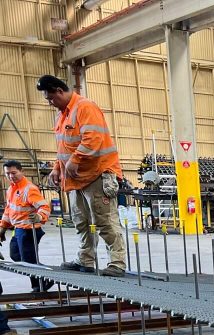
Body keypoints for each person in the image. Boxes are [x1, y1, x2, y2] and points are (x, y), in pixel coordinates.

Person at [36, 74, 127, 276]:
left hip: (97, 174)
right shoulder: (62, 115)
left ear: (59, 91)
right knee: (81, 222)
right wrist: (57, 167)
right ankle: (85, 260)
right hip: (75, 178)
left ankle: (117, 263)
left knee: (104, 221)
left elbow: (93, 139)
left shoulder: (85, 107)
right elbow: (64, 146)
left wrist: (74, 161)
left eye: (51, 98)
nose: (50, 103)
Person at [1, 160, 51, 295]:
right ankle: (46, 276)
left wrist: (39, 216)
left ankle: (40, 285)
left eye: (13, 173)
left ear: (21, 171)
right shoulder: (11, 189)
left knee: (28, 261)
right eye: (7, 173)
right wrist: (3, 228)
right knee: (15, 255)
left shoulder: (29, 189)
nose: (11, 176)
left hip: (30, 230)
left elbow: (44, 207)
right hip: (18, 229)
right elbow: (8, 210)